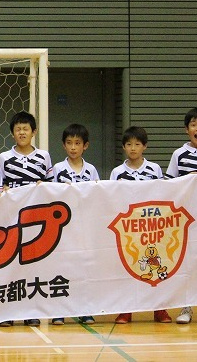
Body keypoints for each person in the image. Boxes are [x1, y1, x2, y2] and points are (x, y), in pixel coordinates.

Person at [0, 111, 53, 327]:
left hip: (36, 219)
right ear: (12, 133)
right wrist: (4, 190)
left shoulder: (44, 156)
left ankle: (30, 310)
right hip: (11, 219)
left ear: (33, 132)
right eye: (18, 129)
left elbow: (51, 185)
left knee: (32, 265)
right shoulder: (4, 158)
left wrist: (43, 187)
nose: (21, 132)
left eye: (25, 129)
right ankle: (7, 312)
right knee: (9, 263)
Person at [110, 126, 171, 324]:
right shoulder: (117, 172)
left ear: (145, 146)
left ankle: (160, 309)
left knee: (157, 265)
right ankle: (126, 310)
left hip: (152, 227)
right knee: (128, 267)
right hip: (129, 229)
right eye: (129, 144)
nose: (133, 148)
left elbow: (162, 195)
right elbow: (111, 198)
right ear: (123, 147)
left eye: (137, 144)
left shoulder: (154, 169)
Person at [51, 123, 100, 326]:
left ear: (85, 146)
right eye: (69, 143)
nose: (73, 147)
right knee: (61, 268)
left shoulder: (91, 170)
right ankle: (59, 311)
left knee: (83, 269)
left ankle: (84, 309)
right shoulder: (57, 169)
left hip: (84, 226)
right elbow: (49, 195)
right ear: (63, 145)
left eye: (77, 143)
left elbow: (98, 195)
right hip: (62, 227)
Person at [164, 107, 197, 325]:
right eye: (194, 125)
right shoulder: (179, 154)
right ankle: (187, 306)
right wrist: (188, 180)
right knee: (188, 263)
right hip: (188, 220)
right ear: (187, 130)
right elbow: (169, 185)